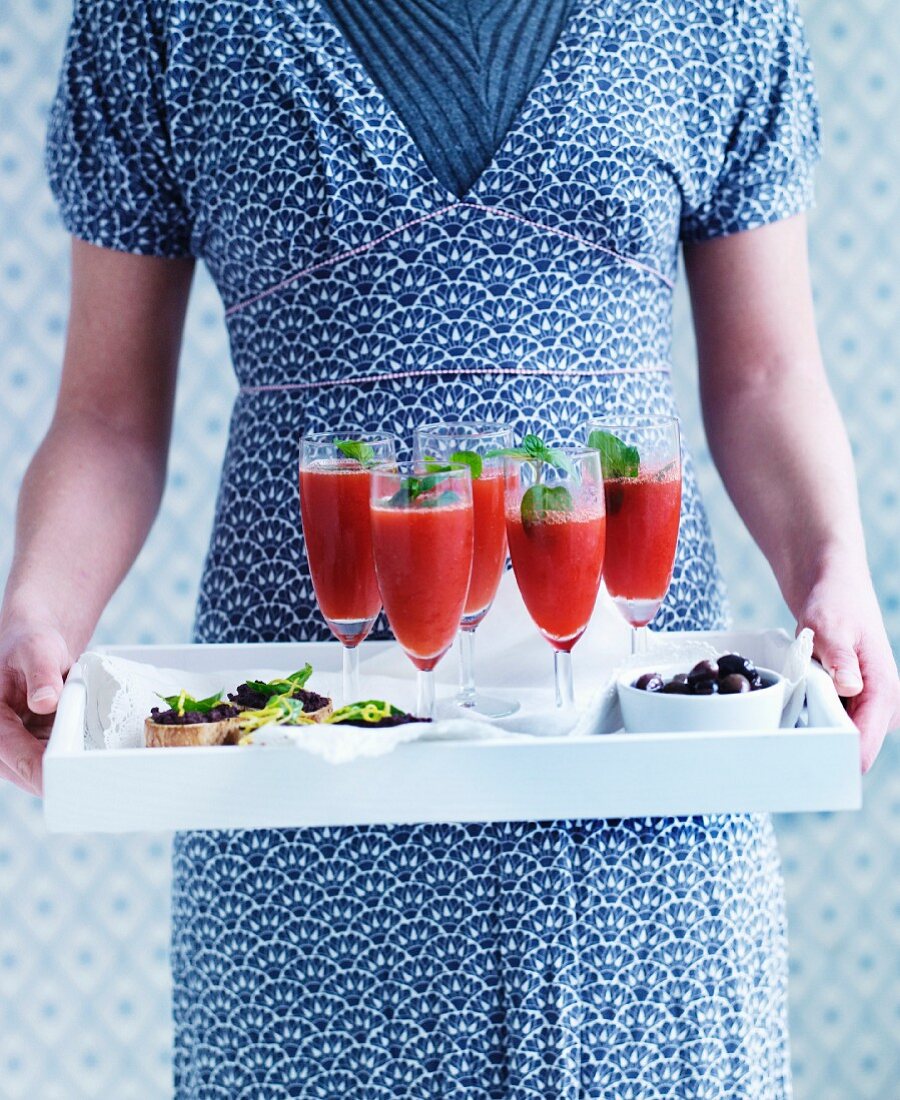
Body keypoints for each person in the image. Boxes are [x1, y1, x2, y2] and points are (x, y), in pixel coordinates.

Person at [2, 0, 898, 1095]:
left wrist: (831, 565)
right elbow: (104, 420)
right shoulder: (164, 19)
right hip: (305, 796)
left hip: (628, 774)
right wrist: (39, 610)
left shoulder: (717, 13)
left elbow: (766, 377)